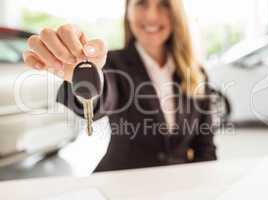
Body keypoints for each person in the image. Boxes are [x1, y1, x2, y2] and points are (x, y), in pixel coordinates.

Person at [23, 0, 217, 172]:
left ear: (176, 13)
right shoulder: (114, 63)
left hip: (179, 188)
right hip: (120, 185)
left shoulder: (197, 72)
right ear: (128, 12)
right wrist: (86, 77)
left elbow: (205, 147)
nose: (152, 15)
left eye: (164, 4)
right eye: (141, 3)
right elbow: (105, 93)